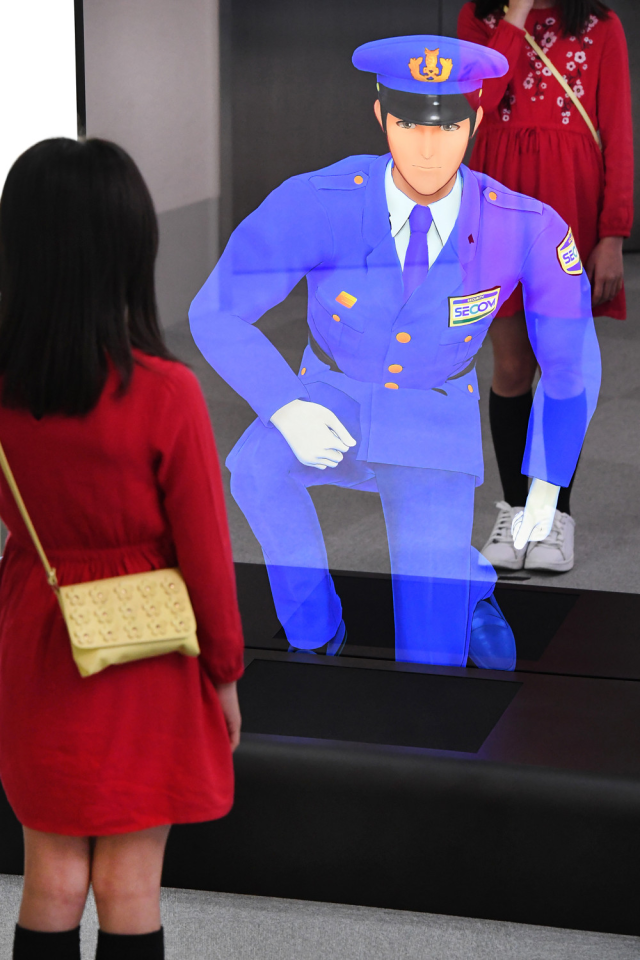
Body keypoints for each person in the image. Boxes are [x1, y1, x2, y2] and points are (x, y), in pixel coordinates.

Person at [190, 34, 600, 672]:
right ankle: (313, 625)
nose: (428, 149)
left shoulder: (524, 225)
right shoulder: (318, 201)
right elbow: (215, 310)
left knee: (430, 660)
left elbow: (570, 359)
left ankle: (466, 587)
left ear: (476, 122)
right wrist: (284, 405)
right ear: (381, 117)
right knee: (256, 470)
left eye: (449, 127)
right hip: (331, 393)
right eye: (409, 125)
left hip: (432, 412)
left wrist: (545, 483)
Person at [0, 138, 244, 960]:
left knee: (52, 878)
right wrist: (224, 674)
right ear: (130, 251)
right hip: (146, 649)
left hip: (37, 635)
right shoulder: (167, 393)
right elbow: (206, 554)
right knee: (130, 886)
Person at [458, 0, 633, 573]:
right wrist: (514, 15)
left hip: (568, 205)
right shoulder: (478, 18)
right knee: (511, 367)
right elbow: (477, 104)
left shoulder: (601, 26)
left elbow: (618, 133)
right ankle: (515, 511)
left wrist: (613, 233)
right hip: (497, 204)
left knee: (561, 366)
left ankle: (554, 515)